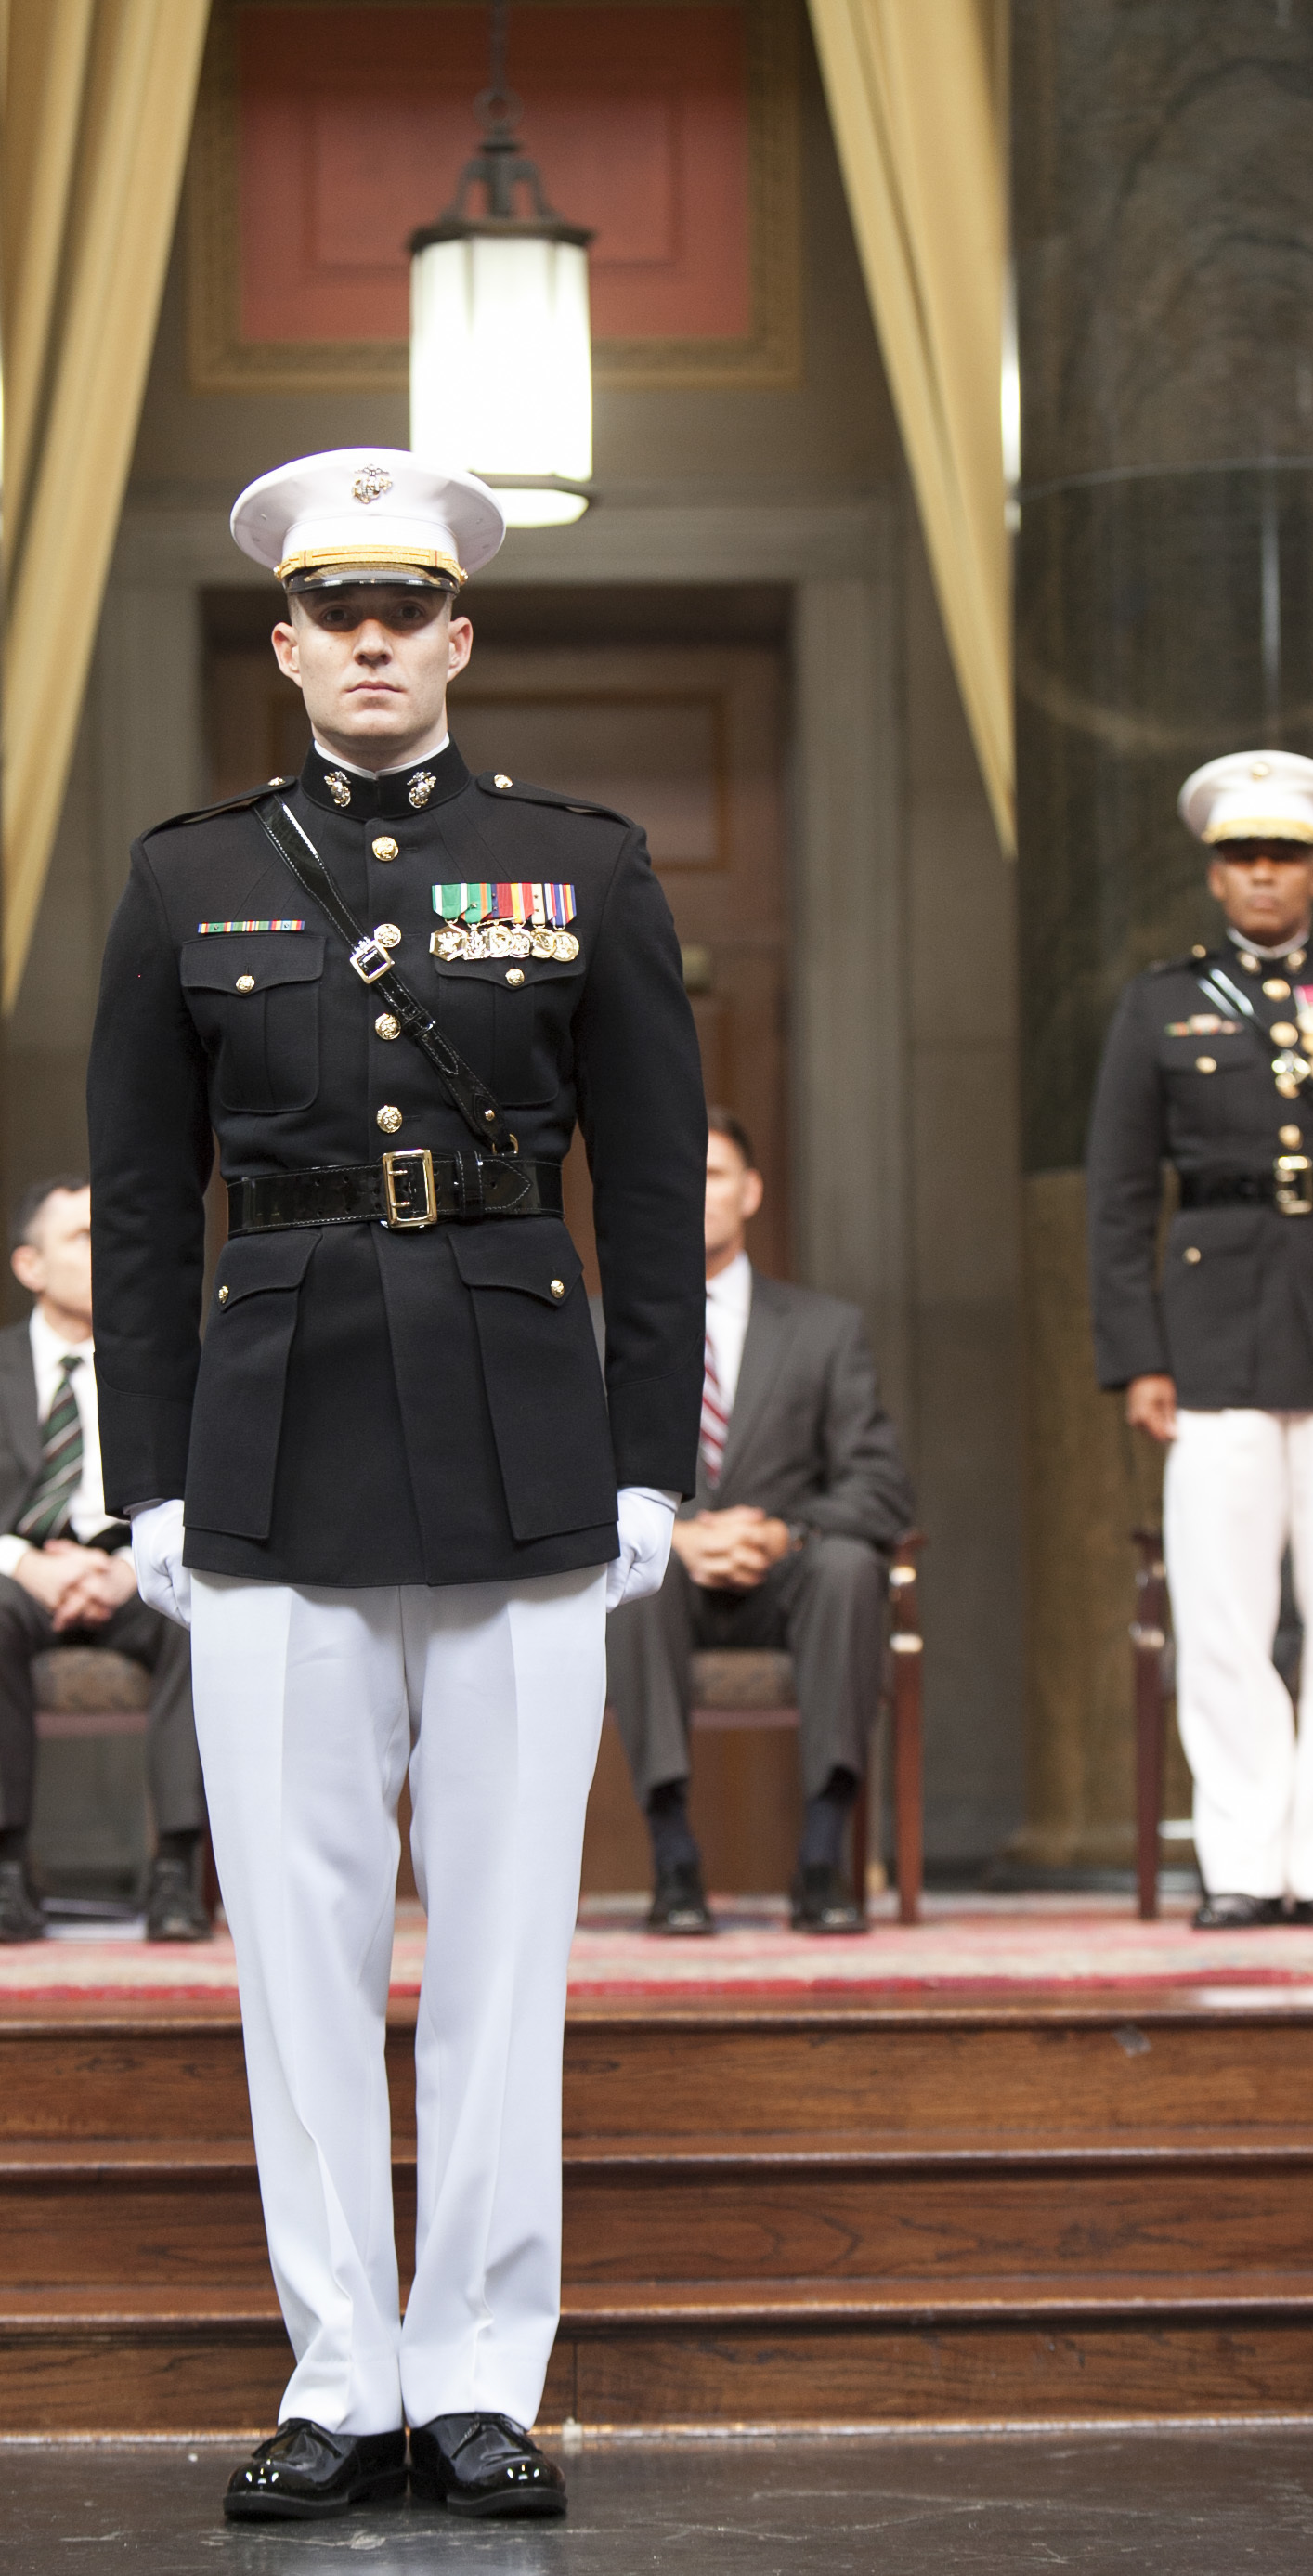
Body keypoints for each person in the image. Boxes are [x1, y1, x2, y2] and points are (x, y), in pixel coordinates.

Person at [85, 450, 704, 2525]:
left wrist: (639, 1463)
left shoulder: (581, 865)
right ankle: (341, 2370)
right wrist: (152, 1485)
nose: (367, 641)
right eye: (330, 613)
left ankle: (477, 2374)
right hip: (266, 1450)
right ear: (283, 645)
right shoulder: (186, 880)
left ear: (457, 638)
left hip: (528, 1444)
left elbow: (647, 1178)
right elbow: (149, 1228)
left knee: (511, 1945)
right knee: (299, 1952)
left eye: (402, 610)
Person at [1087, 749, 1313, 1930]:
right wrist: (1138, 1354)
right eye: (1242, 856)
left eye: (1284, 857)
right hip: (1213, 1330)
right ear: (1213, 875)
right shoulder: (1157, 1003)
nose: (1262, 876)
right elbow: (1115, 1197)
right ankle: (1244, 1859)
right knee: (1222, 1610)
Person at [607, 1112, 915, 1935]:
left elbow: (882, 1487)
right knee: (632, 1572)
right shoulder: (606, 1329)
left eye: (714, 1175)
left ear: (750, 1193)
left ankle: (822, 1857)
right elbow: (564, 1481)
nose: (697, 1193)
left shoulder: (824, 1329)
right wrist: (683, 1535)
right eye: (682, 1177)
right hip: (668, 1583)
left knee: (851, 1567)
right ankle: (673, 1859)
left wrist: (787, 1535)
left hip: (787, 1581)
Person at [0, 1177, 206, 1944]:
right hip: (18, 1573)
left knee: (198, 1609)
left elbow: (204, 1486)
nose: (104, 1253)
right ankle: (5, 1874)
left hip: (131, 1568)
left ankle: (175, 1873)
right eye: (81, 1238)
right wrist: (25, 1565)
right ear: (30, 1265)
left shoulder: (161, 1370)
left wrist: (132, 1565)